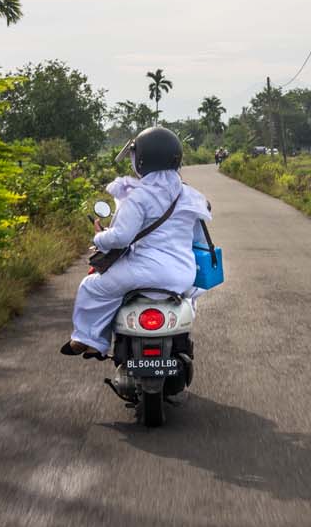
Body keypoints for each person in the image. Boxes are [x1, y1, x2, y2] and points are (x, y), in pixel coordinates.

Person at [63, 127, 212, 358]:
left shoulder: (138, 196)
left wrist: (98, 237)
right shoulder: (191, 196)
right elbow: (198, 240)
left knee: (91, 287)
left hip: (141, 274)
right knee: (191, 298)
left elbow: (121, 237)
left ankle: (88, 339)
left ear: (141, 160)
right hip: (182, 275)